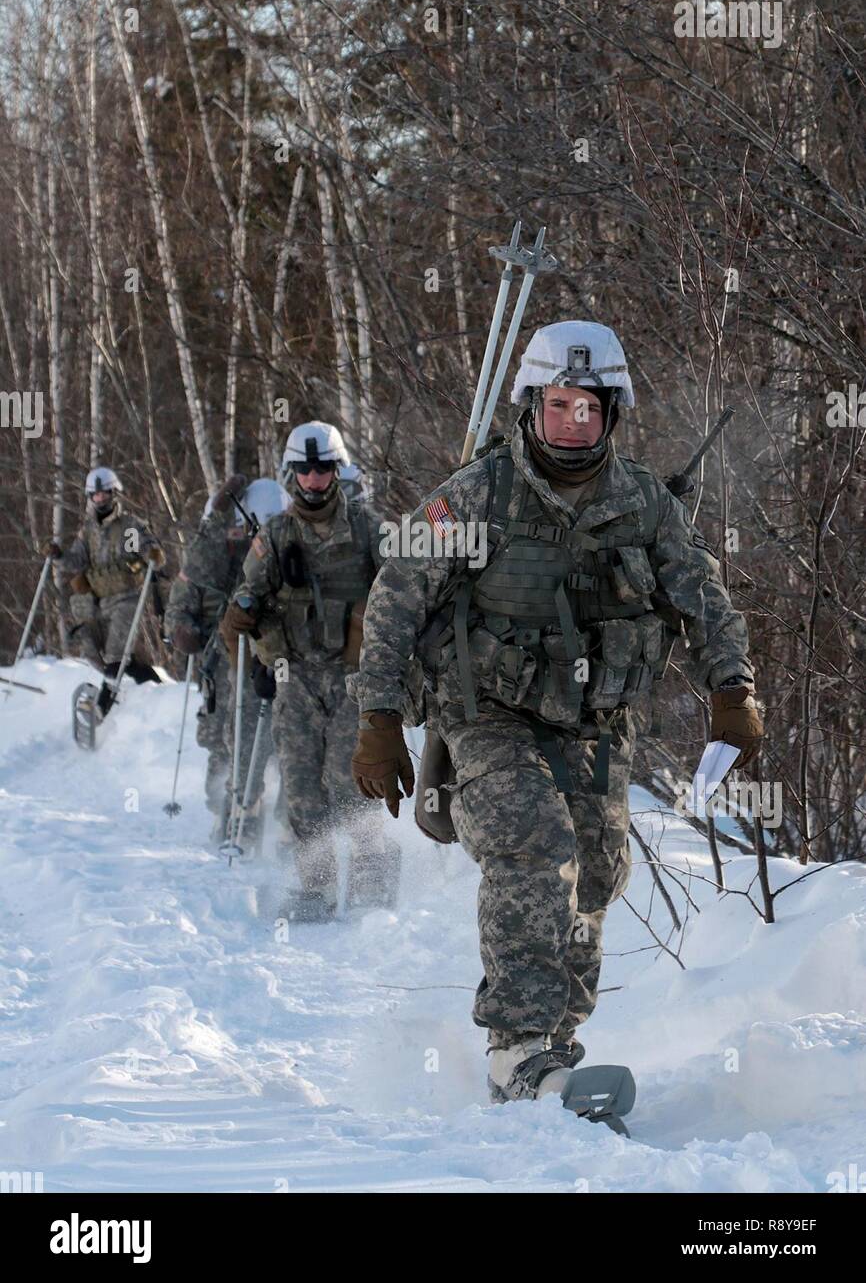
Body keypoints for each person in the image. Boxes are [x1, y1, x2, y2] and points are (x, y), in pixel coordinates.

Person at [350, 321, 763, 1110]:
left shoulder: (643, 503)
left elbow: (704, 597)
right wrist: (380, 718)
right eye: (561, 405)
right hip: (490, 716)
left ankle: (558, 1050)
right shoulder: (477, 495)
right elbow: (398, 594)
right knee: (536, 844)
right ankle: (517, 1050)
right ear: (532, 405)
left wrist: (733, 689)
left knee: (598, 872)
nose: (575, 422)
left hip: (596, 724)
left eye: (590, 409)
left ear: (613, 414)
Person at [220, 421, 400, 921]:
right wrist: (253, 641)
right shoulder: (275, 536)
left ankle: (372, 876)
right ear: (291, 474)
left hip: (352, 679)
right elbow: (245, 604)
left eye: (324, 469)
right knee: (302, 788)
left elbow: (403, 589)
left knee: (355, 783)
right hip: (294, 680)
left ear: (337, 472)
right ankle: (315, 888)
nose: (315, 479)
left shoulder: (368, 528)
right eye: (306, 470)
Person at [165, 475, 288, 842]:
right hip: (223, 661)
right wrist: (181, 630)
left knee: (286, 740)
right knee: (226, 739)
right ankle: (235, 809)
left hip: (279, 657)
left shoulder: (284, 545)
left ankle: (285, 821)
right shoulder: (217, 551)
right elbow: (182, 597)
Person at [61, 468, 165, 716]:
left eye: (104, 495)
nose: (100, 500)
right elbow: (76, 560)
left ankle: (102, 707)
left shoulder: (128, 526)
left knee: (117, 652)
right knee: (92, 650)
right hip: (98, 602)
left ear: (113, 494)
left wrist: (150, 554)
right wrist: (59, 556)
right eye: (95, 496)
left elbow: (149, 551)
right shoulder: (88, 531)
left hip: (126, 599)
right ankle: (155, 688)